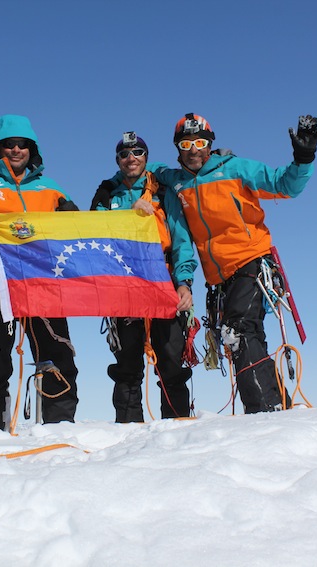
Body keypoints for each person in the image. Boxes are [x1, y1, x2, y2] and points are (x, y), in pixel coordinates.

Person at [121, 113, 317, 414]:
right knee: (245, 335)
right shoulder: (177, 183)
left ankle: (264, 413)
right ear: (178, 147)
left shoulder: (236, 168)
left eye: (200, 142)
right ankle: (278, 407)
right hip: (219, 278)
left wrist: (304, 156)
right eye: (186, 143)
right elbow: (151, 175)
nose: (194, 149)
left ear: (210, 144)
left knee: (238, 331)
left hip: (252, 260)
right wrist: (145, 196)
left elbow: (286, 185)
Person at [0, 115, 80, 433]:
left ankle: (60, 423)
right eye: (9, 144)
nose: (15, 149)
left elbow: (72, 236)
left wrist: (74, 219)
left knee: (56, 350)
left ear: (32, 149)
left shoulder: (51, 189)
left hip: (43, 279)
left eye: (22, 144)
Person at [90, 132, 198, 422]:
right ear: (117, 160)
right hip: (123, 283)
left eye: (137, 152)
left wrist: (184, 283)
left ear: (146, 157)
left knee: (170, 359)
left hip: (162, 279)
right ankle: (127, 429)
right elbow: (95, 235)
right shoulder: (106, 194)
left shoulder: (162, 190)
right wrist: (129, 213)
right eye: (124, 154)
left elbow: (180, 238)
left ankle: (177, 425)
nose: (131, 158)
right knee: (127, 362)